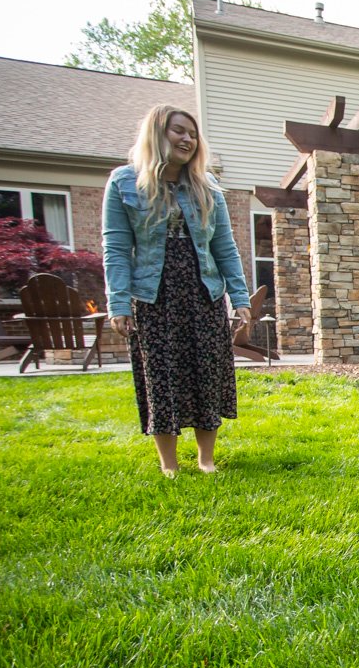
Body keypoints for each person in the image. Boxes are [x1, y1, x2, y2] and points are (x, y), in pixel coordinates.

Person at [102, 105, 252, 477]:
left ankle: (206, 458)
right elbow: (116, 249)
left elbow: (225, 248)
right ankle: (168, 463)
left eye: (193, 134)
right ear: (156, 134)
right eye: (178, 131)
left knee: (206, 371)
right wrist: (119, 303)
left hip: (203, 292)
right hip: (153, 296)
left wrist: (240, 298)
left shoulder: (207, 188)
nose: (187, 139)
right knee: (161, 375)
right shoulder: (124, 182)